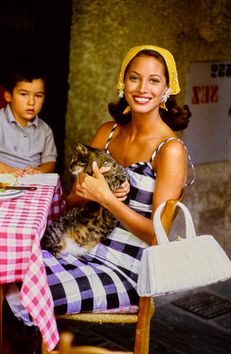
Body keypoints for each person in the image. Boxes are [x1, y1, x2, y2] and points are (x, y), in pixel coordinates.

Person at [5, 45, 194, 348]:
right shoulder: (107, 132)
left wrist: (107, 198)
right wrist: (82, 193)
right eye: (134, 78)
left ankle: (41, 343)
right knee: (7, 275)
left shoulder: (170, 150)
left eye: (154, 81)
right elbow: (71, 203)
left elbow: (158, 238)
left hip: (123, 270)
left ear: (168, 89)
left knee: (19, 296)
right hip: (78, 248)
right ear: (122, 82)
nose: (143, 88)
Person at [0, 65, 57, 176]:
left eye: (38, 95)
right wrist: (7, 170)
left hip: (32, 183)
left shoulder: (45, 130)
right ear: (8, 95)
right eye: (24, 94)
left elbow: (50, 162)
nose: (31, 102)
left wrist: (39, 171)